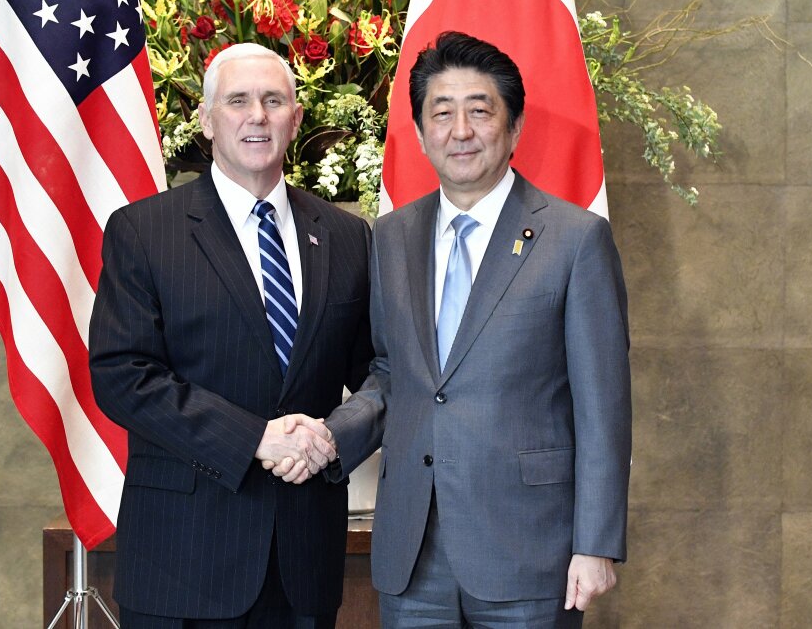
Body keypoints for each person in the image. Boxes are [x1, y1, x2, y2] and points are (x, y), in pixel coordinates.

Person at [276, 31, 632, 627]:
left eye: (479, 110)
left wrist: (594, 542)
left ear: (514, 127)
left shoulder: (574, 240)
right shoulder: (391, 237)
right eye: (441, 113)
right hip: (411, 552)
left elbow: (604, 404)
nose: (459, 130)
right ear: (419, 132)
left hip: (530, 550)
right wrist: (330, 436)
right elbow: (392, 376)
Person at [89, 42, 374, 628]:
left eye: (274, 101)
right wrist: (254, 439)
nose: (257, 116)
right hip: (182, 560)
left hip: (305, 560)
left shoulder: (349, 237)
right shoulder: (144, 231)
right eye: (238, 100)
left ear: (296, 119)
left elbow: (383, 372)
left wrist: (333, 436)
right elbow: (122, 377)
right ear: (206, 119)